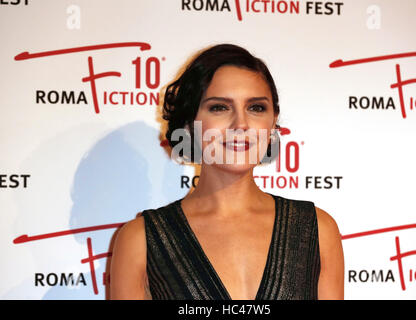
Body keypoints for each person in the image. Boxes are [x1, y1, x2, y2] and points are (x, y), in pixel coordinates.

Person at [110, 44, 344, 300]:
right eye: (220, 107)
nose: (241, 124)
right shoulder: (140, 241)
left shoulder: (317, 230)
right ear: (189, 124)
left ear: (273, 122)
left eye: (256, 108)